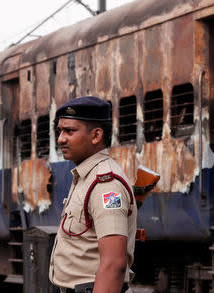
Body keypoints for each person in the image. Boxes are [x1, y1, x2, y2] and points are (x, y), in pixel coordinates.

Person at [49, 96, 137, 293]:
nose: (61, 138)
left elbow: (114, 264)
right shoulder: (85, 177)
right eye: (60, 131)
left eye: (69, 131)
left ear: (96, 135)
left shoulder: (106, 185)